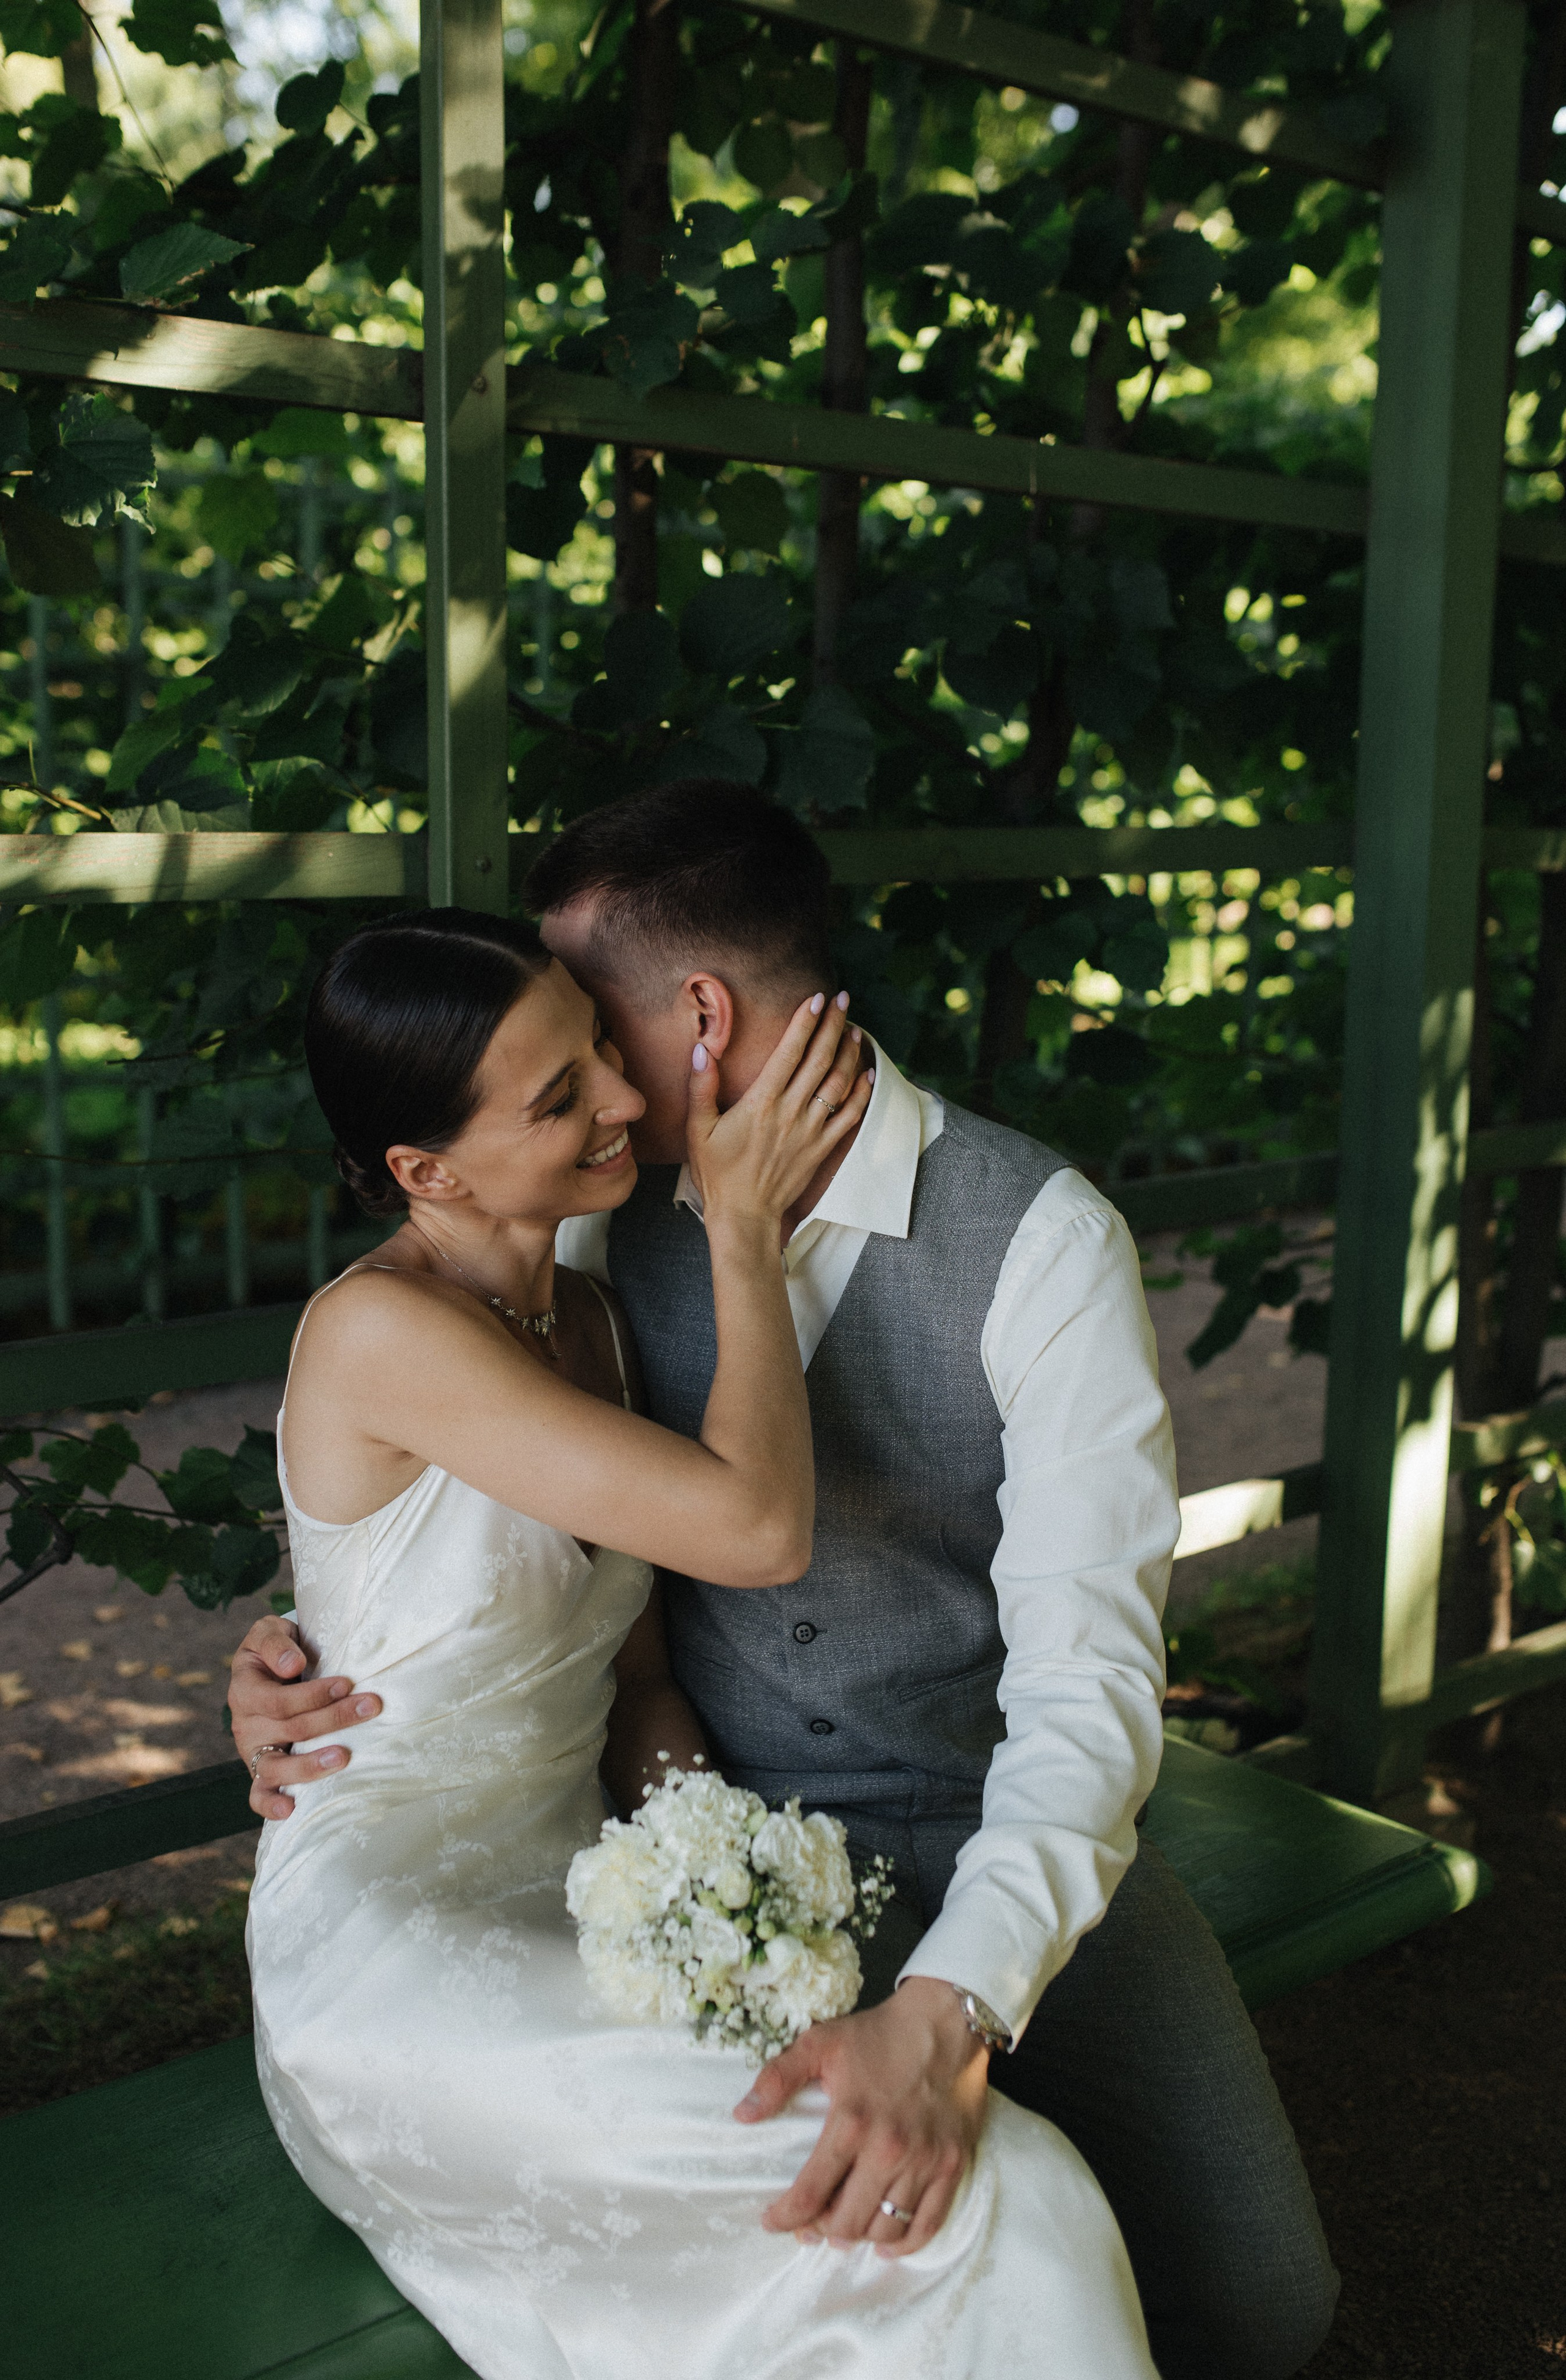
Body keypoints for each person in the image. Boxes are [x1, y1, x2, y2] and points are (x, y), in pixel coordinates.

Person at [233, 785, 1338, 2378]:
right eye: (568, 1072)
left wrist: (957, 2000)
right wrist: (286, 1655)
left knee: (1259, 2302)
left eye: (594, 1035)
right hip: (693, 1843)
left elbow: (1091, 1683)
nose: (601, 1089)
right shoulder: (593, 1219)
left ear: (694, 1012)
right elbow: (429, 1516)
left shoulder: (1042, 1241)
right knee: (921, 2227)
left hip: (987, 1829)